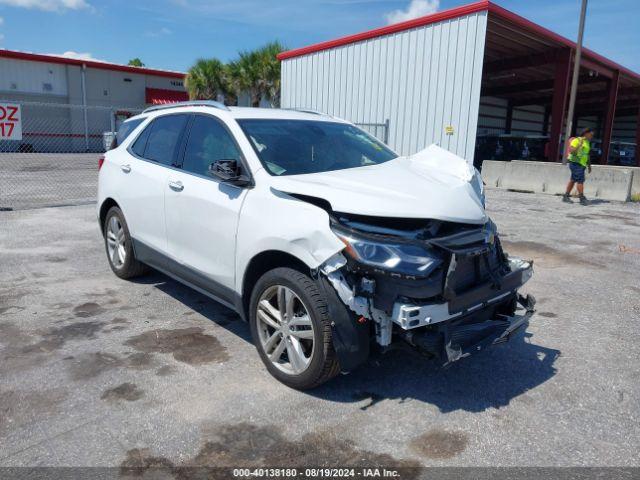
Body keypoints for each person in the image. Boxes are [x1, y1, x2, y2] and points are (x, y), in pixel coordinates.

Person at [562, 128, 594, 205]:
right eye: (591, 135)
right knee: (580, 180)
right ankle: (582, 198)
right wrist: (579, 145)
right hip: (575, 163)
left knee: (573, 179)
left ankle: (566, 196)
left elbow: (587, 155)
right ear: (586, 133)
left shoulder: (587, 142)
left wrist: (589, 166)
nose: (592, 136)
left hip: (582, 164)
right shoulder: (577, 140)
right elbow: (571, 150)